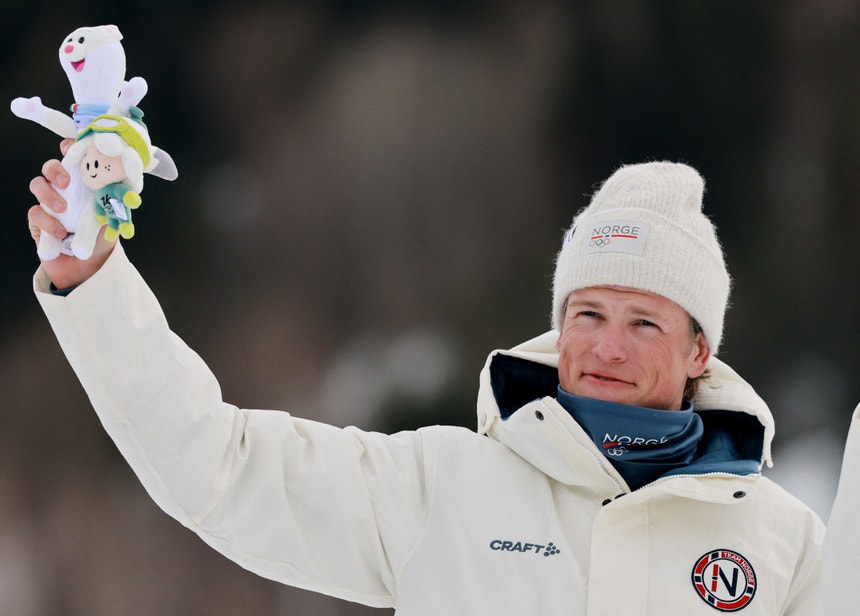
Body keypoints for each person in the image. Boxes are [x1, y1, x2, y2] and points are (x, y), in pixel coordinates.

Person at [28, 147, 828, 614]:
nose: (606, 346)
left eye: (644, 322)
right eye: (587, 313)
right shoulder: (443, 487)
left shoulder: (783, 543)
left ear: (699, 352)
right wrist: (95, 287)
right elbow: (220, 464)